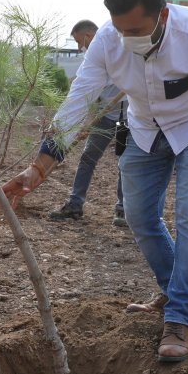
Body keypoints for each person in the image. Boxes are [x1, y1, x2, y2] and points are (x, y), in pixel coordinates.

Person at [2, 0, 188, 362]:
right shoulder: (107, 42)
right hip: (142, 130)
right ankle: (173, 290)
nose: (129, 39)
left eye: (137, 30)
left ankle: (180, 317)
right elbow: (78, 103)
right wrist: (38, 168)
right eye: (122, 30)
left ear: (164, 14)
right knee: (138, 217)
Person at [49, 19, 128, 227]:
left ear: (88, 36)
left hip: (126, 119)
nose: (79, 47)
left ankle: (122, 209)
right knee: (87, 157)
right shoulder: (95, 57)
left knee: (124, 162)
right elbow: (87, 90)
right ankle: (75, 204)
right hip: (104, 116)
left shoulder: (117, 47)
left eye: (79, 42)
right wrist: (86, 121)